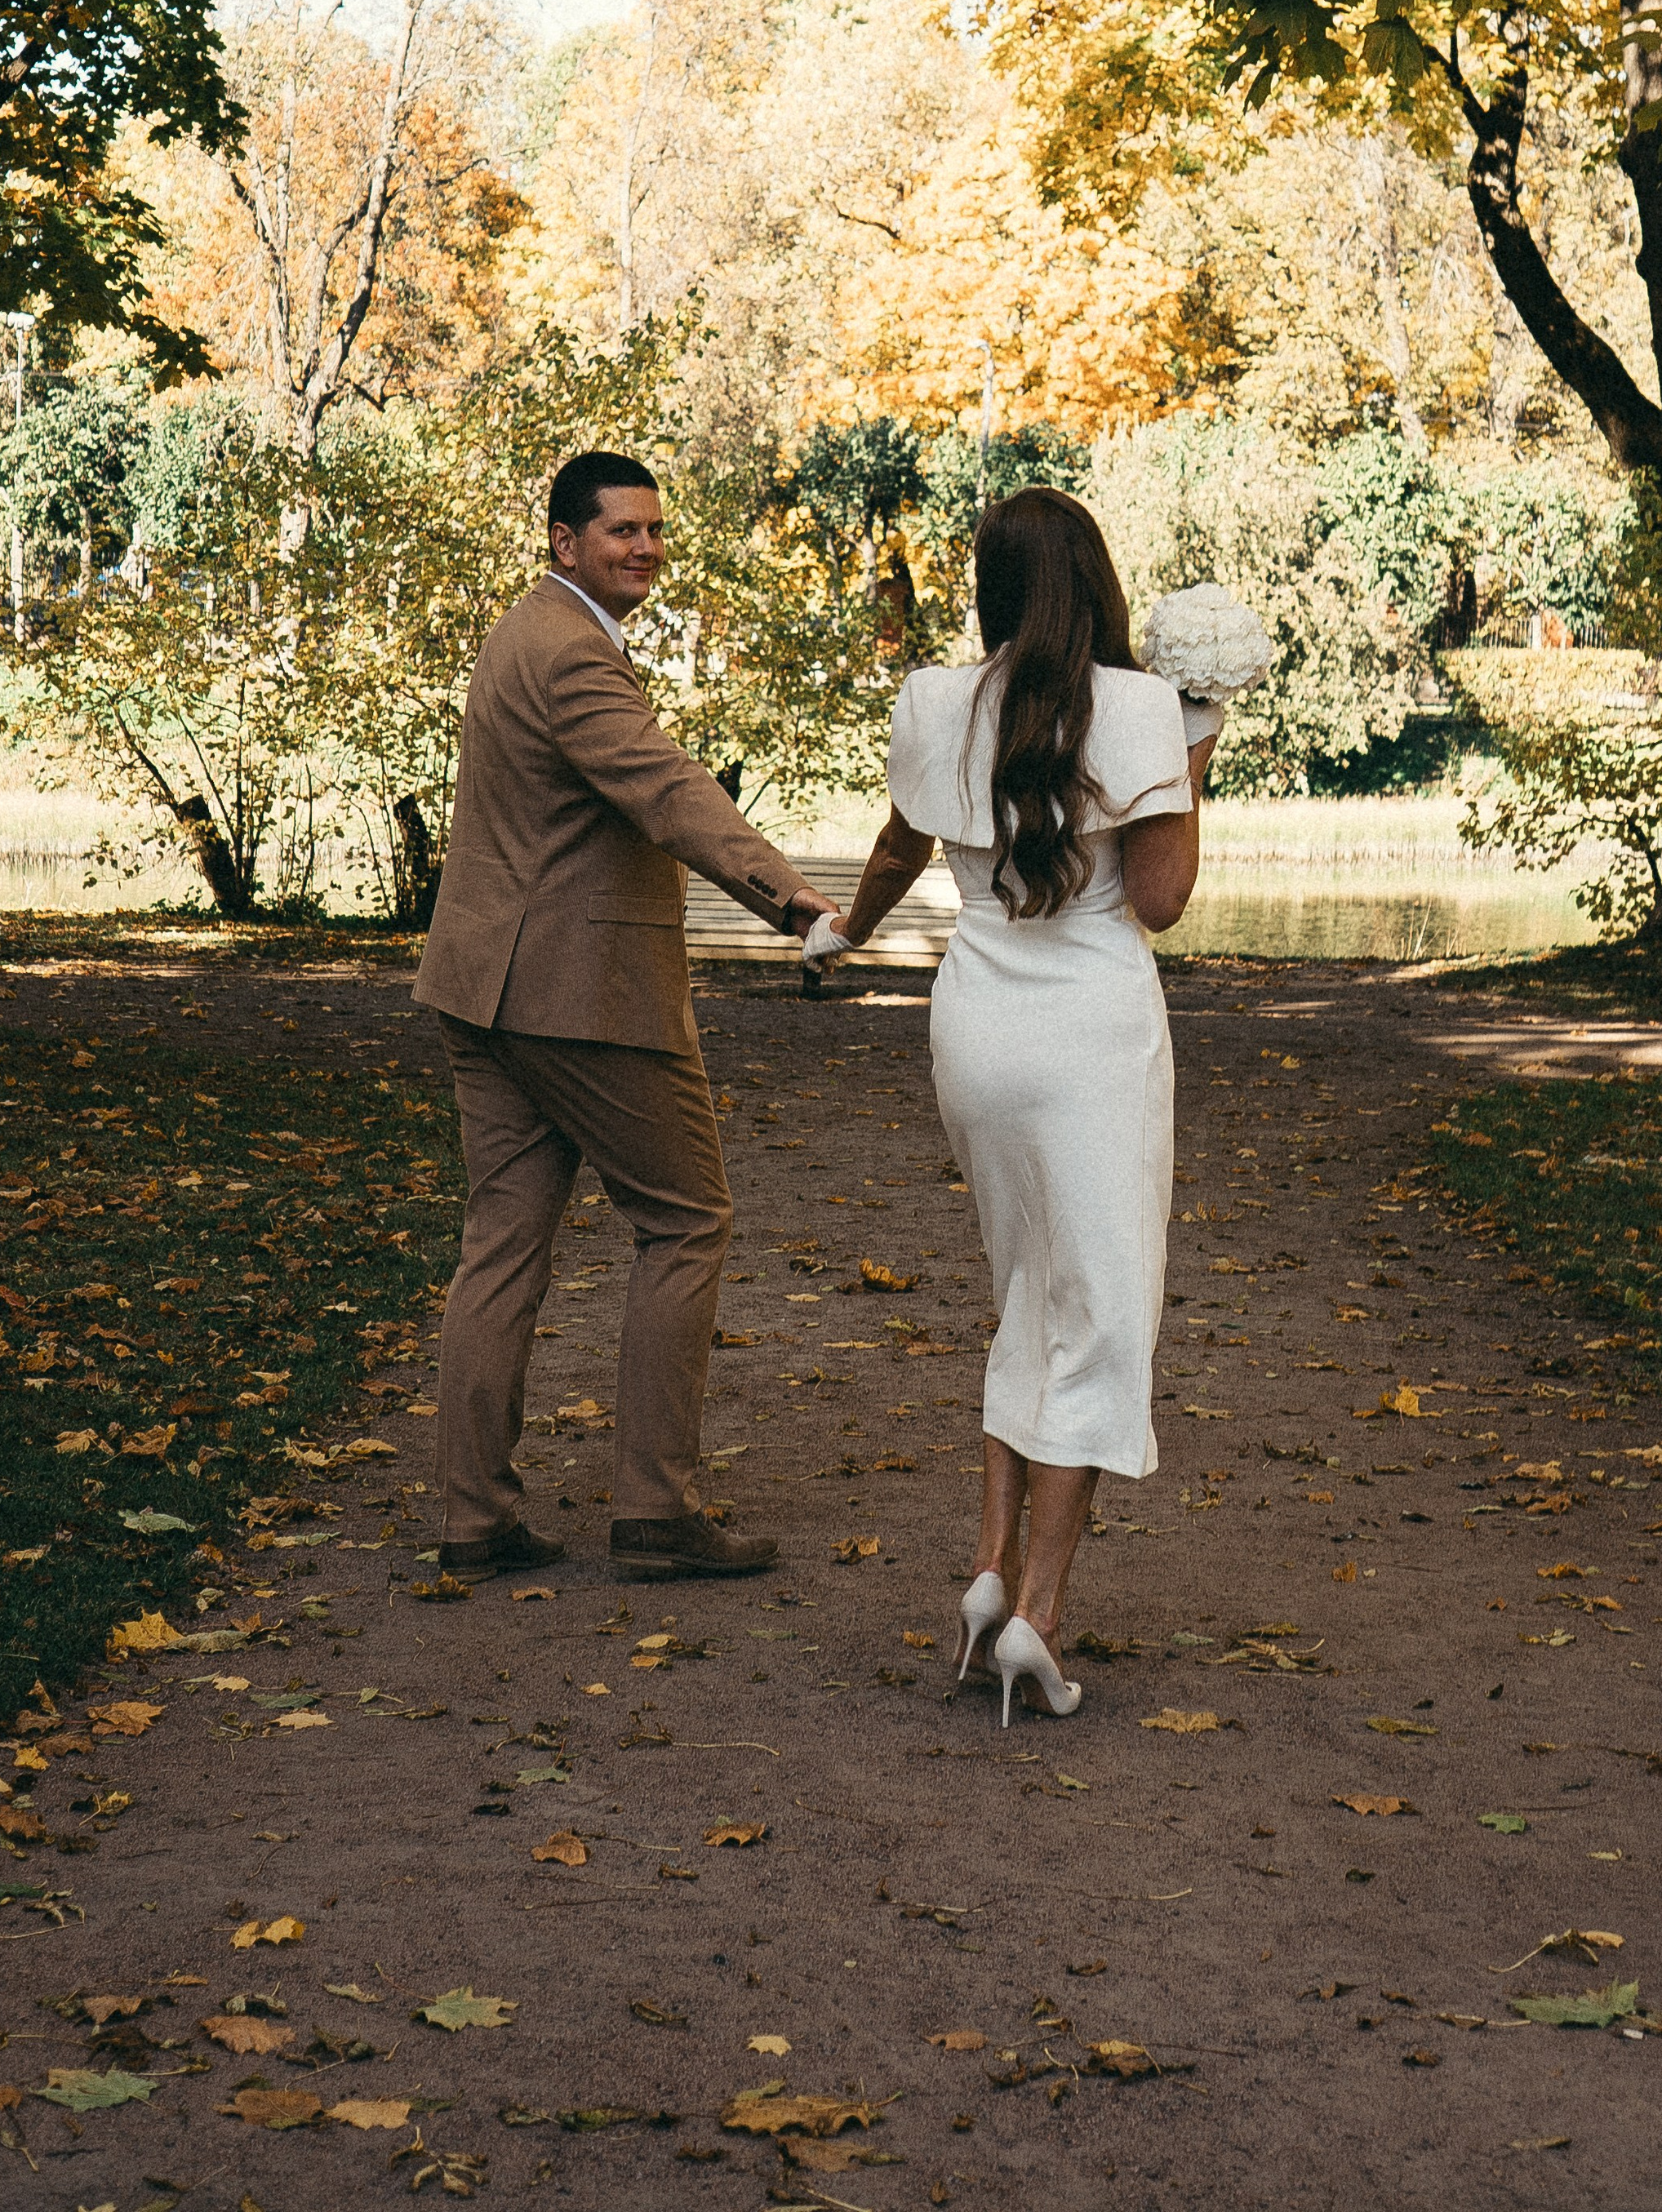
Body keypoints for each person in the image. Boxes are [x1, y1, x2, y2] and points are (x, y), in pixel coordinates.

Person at [806, 488, 1213, 1723]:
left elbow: (896, 846)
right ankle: (1039, 1611)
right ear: (1095, 578)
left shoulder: (938, 698)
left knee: (1025, 1294)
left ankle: (985, 1574)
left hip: (976, 1014)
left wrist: (841, 933)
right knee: (1103, 1311)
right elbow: (1161, 901)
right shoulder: (1137, 706)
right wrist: (1194, 755)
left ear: (991, 585)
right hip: (1091, 1023)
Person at [414, 450, 840, 1581]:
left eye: (655, 530)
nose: (645, 547)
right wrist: (789, 897)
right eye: (621, 532)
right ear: (566, 543)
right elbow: (665, 790)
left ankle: (474, 1517)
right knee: (688, 1220)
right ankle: (657, 1509)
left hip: (485, 986)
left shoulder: (524, 635)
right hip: (577, 993)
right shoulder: (572, 657)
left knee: (502, 1245)